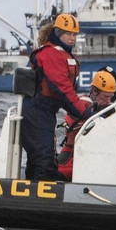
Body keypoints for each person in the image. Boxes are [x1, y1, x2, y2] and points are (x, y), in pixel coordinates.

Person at [20, 13, 92, 180]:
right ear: (59, 33)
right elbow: (63, 89)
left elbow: (66, 95)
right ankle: (38, 199)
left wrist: (83, 112)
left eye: (75, 34)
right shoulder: (50, 54)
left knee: (39, 159)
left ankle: (31, 190)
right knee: (44, 160)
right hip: (36, 111)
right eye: (69, 34)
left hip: (45, 112)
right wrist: (85, 113)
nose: (72, 38)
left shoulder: (62, 54)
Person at [56, 68, 116, 181]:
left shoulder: (103, 107)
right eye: (105, 97)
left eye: (111, 97)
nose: (108, 100)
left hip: (91, 156)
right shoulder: (82, 104)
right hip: (73, 156)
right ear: (94, 91)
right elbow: (82, 126)